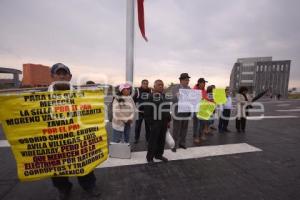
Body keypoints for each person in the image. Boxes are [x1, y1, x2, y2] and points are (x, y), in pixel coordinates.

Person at [49, 63, 100, 200]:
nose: (61, 76)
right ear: (52, 76)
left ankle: (89, 185)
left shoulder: (81, 94)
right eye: (58, 73)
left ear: (70, 77)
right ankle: (63, 188)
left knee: (83, 162)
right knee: (58, 167)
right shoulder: (40, 95)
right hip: (54, 140)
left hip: (79, 138)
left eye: (64, 73)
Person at [144, 80, 171, 162]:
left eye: (162, 85)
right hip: (155, 122)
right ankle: (150, 157)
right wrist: (151, 123)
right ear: (154, 86)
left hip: (164, 122)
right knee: (153, 140)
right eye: (159, 85)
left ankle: (159, 155)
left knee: (162, 140)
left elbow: (167, 109)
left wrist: (168, 120)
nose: (161, 86)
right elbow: (147, 111)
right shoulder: (150, 97)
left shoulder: (164, 96)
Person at [171, 73, 192, 152]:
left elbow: (192, 100)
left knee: (184, 128)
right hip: (177, 112)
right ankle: (174, 145)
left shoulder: (189, 89)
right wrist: (177, 96)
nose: (188, 81)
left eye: (188, 80)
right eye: (186, 80)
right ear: (181, 80)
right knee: (176, 129)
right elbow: (172, 99)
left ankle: (182, 143)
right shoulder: (175, 88)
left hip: (186, 112)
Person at [133, 79, 152, 143]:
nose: (145, 85)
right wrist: (135, 109)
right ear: (141, 84)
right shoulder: (137, 91)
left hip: (148, 112)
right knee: (137, 126)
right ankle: (136, 138)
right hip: (139, 112)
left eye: (147, 83)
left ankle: (148, 139)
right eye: (144, 83)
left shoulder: (150, 91)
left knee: (148, 127)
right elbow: (133, 101)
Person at [193, 78, 208, 144]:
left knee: (202, 123)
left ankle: (201, 135)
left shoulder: (204, 90)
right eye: (203, 83)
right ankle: (196, 137)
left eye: (205, 83)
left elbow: (206, 98)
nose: (204, 84)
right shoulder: (194, 90)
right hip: (196, 109)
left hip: (203, 109)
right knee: (197, 124)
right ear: (199, 83)